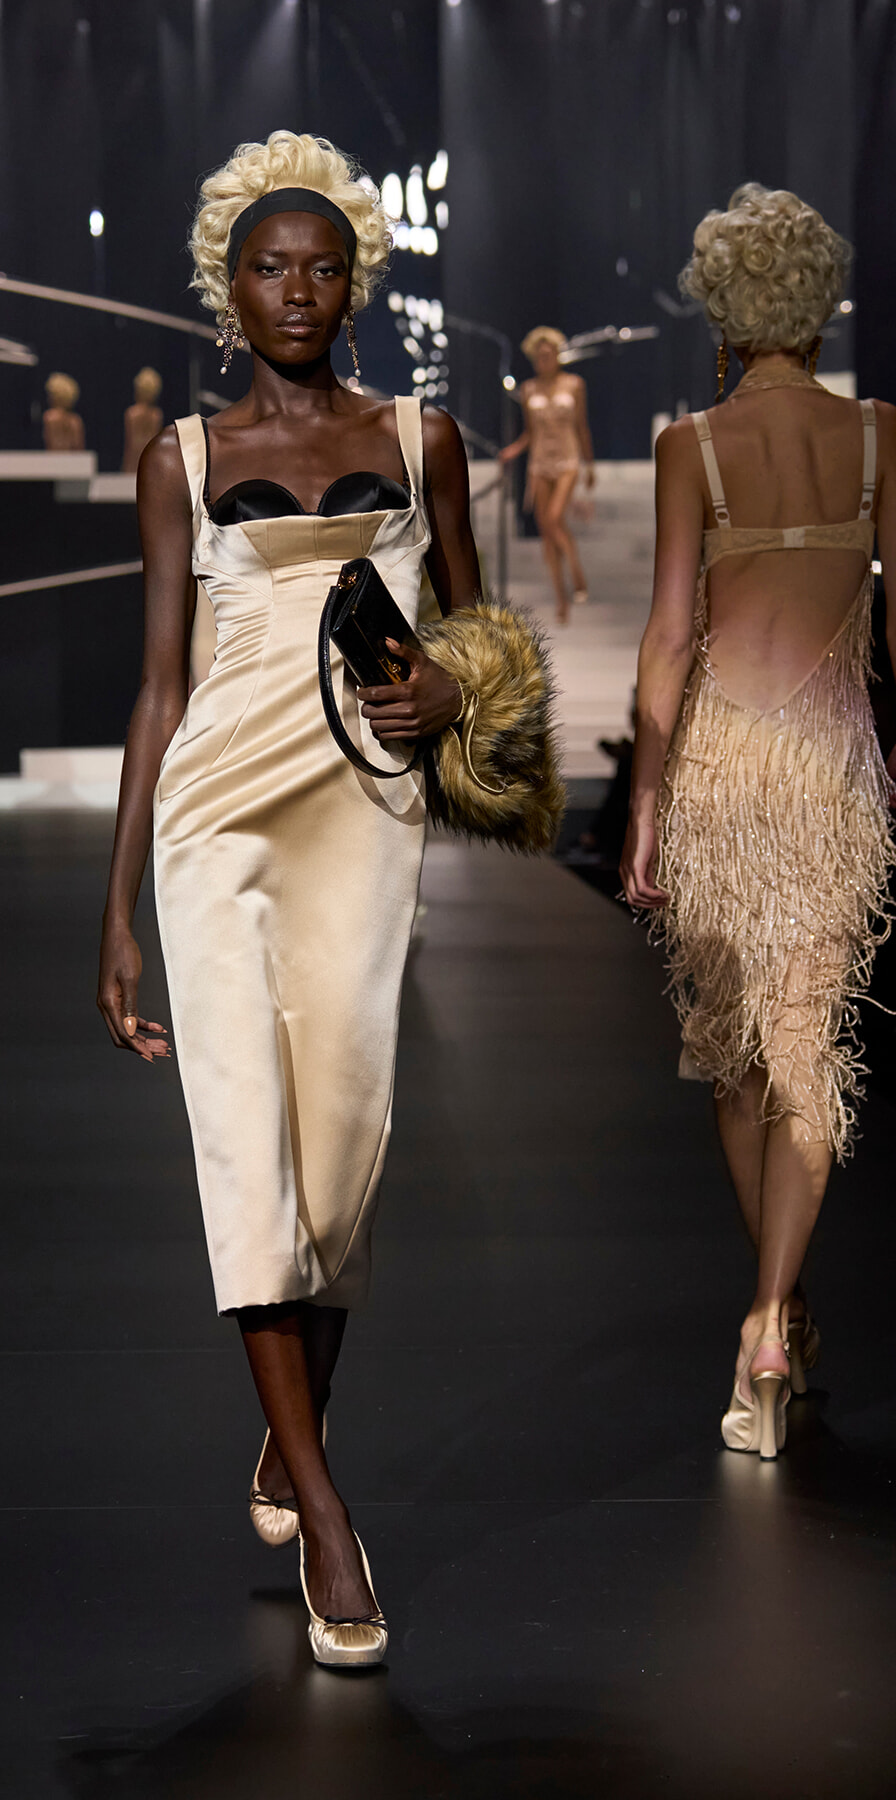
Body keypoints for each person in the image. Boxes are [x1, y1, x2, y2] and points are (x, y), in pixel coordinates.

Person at [98, 130, 483, 1666]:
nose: (300, 289)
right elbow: (153, 691)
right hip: (213, 824)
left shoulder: (423, 436)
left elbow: (476, 636)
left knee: (342, 1156)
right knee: (247, 1157)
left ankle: (287, 1428)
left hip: (363, 815)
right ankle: (328, 1509)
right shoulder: (177, 463)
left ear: (356, 281)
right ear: (228, 285)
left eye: (325, 266)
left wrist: (453, 687)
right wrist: (114, 906)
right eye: (272, 266)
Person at [621, 184, 896, 1461]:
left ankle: (775, 1315)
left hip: (726, 775)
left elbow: (671, 640)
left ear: (727, 311)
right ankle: (775, 1320)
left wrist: (642, 801)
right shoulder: (884, 439)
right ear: (819, 307)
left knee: (739, 1066)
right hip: (834, 778)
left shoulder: (696, 444)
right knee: (807, 1057)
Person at [500, 326, 595, 625]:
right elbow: (530, 432)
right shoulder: (528, 390)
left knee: (554, 518)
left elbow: (582, 426)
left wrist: (590, 466)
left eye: (549, 354)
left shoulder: (574, 384)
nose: (544, 360)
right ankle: (561, 599)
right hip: (539, 463)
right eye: (539, 356)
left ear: (557, 355)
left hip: (567, 459)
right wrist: (514, 450)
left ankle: (577, 571)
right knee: (546, 533)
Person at [121, 366, 164, 473]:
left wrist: (125, 467)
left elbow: (129, 444)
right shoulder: (157, 415)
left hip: (134, 460)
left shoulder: (131, 414)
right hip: (151, 461)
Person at [42, 372, 85, 451]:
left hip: (54, 460)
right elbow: (79, 448)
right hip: (73, 461)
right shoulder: (76, 420)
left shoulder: (49, 417)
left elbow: (49, 445)